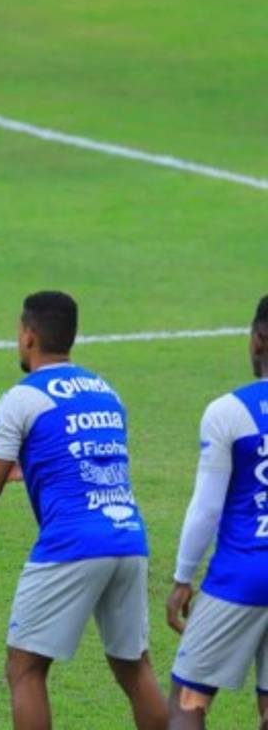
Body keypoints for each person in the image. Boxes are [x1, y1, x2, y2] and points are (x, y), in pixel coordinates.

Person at [0, 291, 168, 730]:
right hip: (128, 538)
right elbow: (89, 458)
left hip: (72, 544)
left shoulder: (21, 399)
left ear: (29, 335)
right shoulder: (105, 392)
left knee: (24, 670)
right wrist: (32, 466)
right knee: (135, 669)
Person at [165, 295, 268, 728]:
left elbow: (206, 508)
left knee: (189, 699)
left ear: (259, 339)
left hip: (241, 574)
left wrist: (183, 577)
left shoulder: (228, 411)